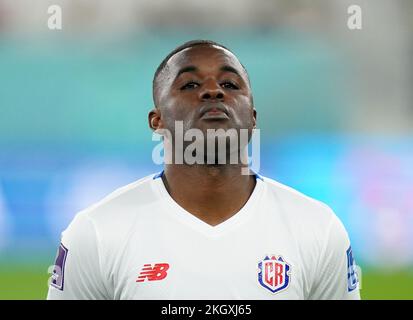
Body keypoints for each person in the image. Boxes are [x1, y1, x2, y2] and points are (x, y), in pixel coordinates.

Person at [47, 40, 360, 300]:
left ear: (252, 117)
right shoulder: (97, 232)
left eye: (229, 84)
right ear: (157, 120)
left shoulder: (318, 229)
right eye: (190, 84)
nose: (213, 91)